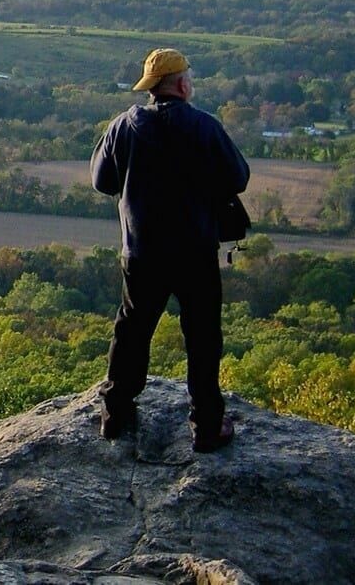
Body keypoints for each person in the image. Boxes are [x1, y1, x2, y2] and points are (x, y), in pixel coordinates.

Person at [90, 48, 250, 453]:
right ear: (181, 85)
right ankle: (207, 427)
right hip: (195, 250)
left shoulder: (123, 127)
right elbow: (239, 176)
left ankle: (115, 414)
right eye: (190, 79)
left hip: (141, 251)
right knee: (202, 336)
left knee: (132, 330)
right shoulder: (204, 128)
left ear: (151, 88)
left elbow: (102, 181)